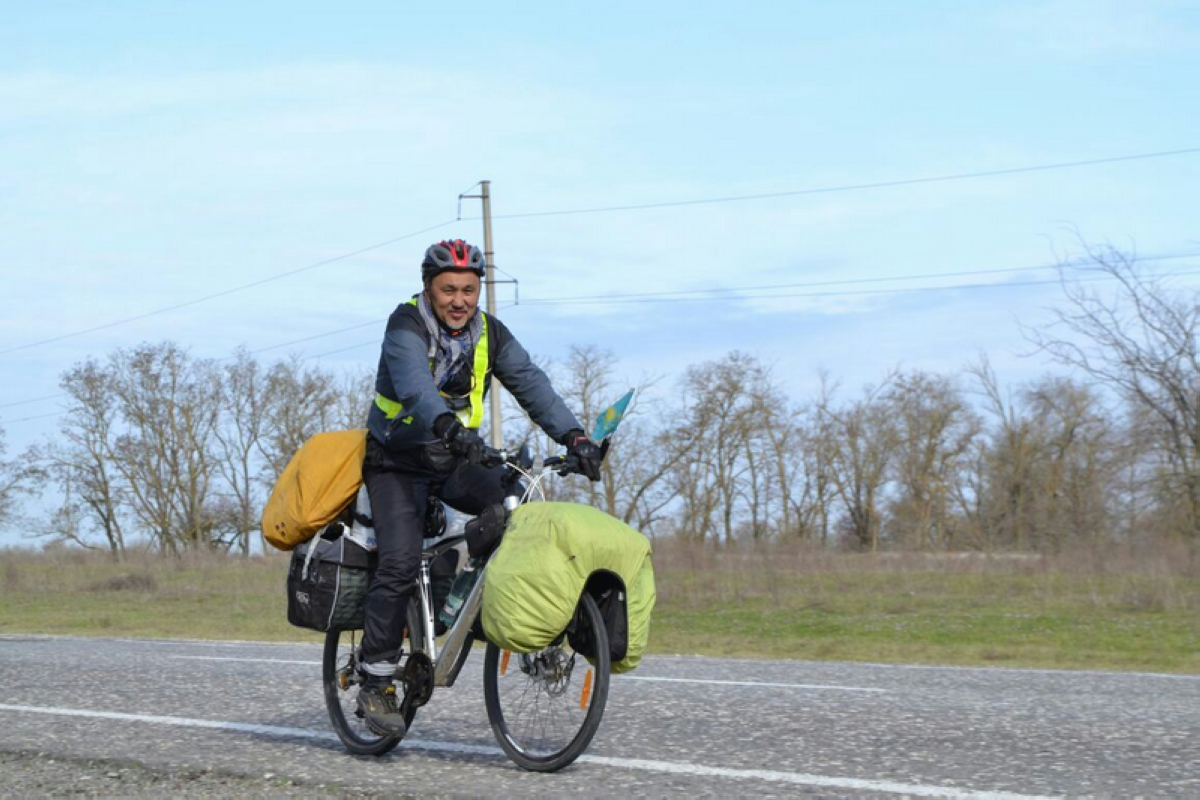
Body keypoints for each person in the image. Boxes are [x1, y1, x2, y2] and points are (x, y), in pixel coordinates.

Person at [355, 238, 602, 736]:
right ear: (429, 287)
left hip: (452, 459)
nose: (459, 300)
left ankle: (486, 605)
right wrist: (449, 428)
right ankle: (375, 676)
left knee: (519, 508)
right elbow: (413, 386)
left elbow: (532, 384)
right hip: (397, 463)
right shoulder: (405, 325)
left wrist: (575, 436)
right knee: (399, 561)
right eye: (448, 289)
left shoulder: (490, 332)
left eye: (469, 290)